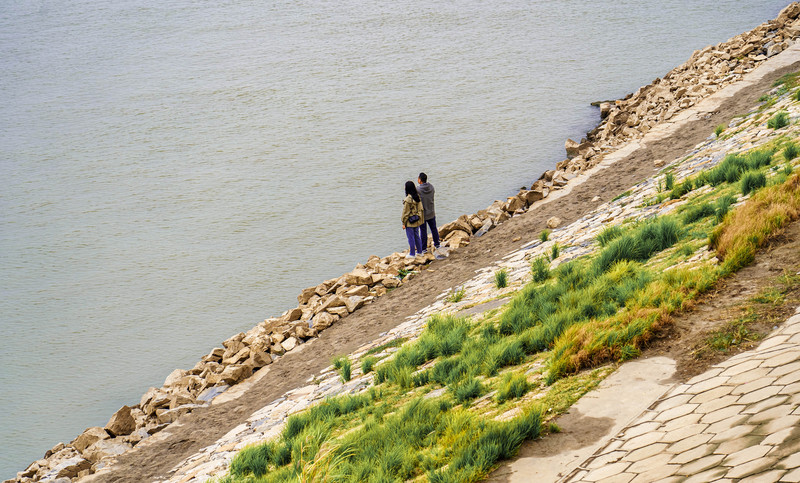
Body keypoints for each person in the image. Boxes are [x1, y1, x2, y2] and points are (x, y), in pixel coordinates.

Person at [416, 172, 440, 253]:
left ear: (420, 180)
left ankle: (424, 248)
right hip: (431, 211)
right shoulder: (431, 187)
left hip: (423, 214)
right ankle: (437, 244)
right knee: (434, 228)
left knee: (423, 231)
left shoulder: (418, 190)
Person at [401, 180, 424, 258]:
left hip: (410, 222)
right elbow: (421, 209)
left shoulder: (408, 200)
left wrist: (403, 223)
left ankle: (412, 254)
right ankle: (420, 252)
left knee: (410, 237)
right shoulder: (417, 197)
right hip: (417, 220)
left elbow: (405, 213)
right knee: (417, 236)